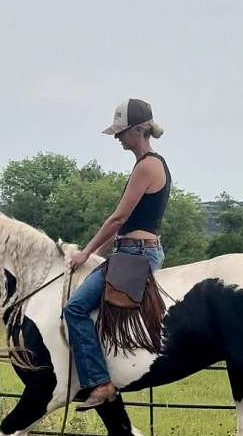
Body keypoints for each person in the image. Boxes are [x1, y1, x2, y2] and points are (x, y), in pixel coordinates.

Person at [63, 98, 171, 410]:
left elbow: (117, 219)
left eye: (121, 132)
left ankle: (100, 382)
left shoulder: (147, 166)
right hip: (132, 252)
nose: (117, 137)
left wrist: (85, 253)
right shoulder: (152, 163)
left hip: (135, 256)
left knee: (75, 309)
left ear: (139, 130)